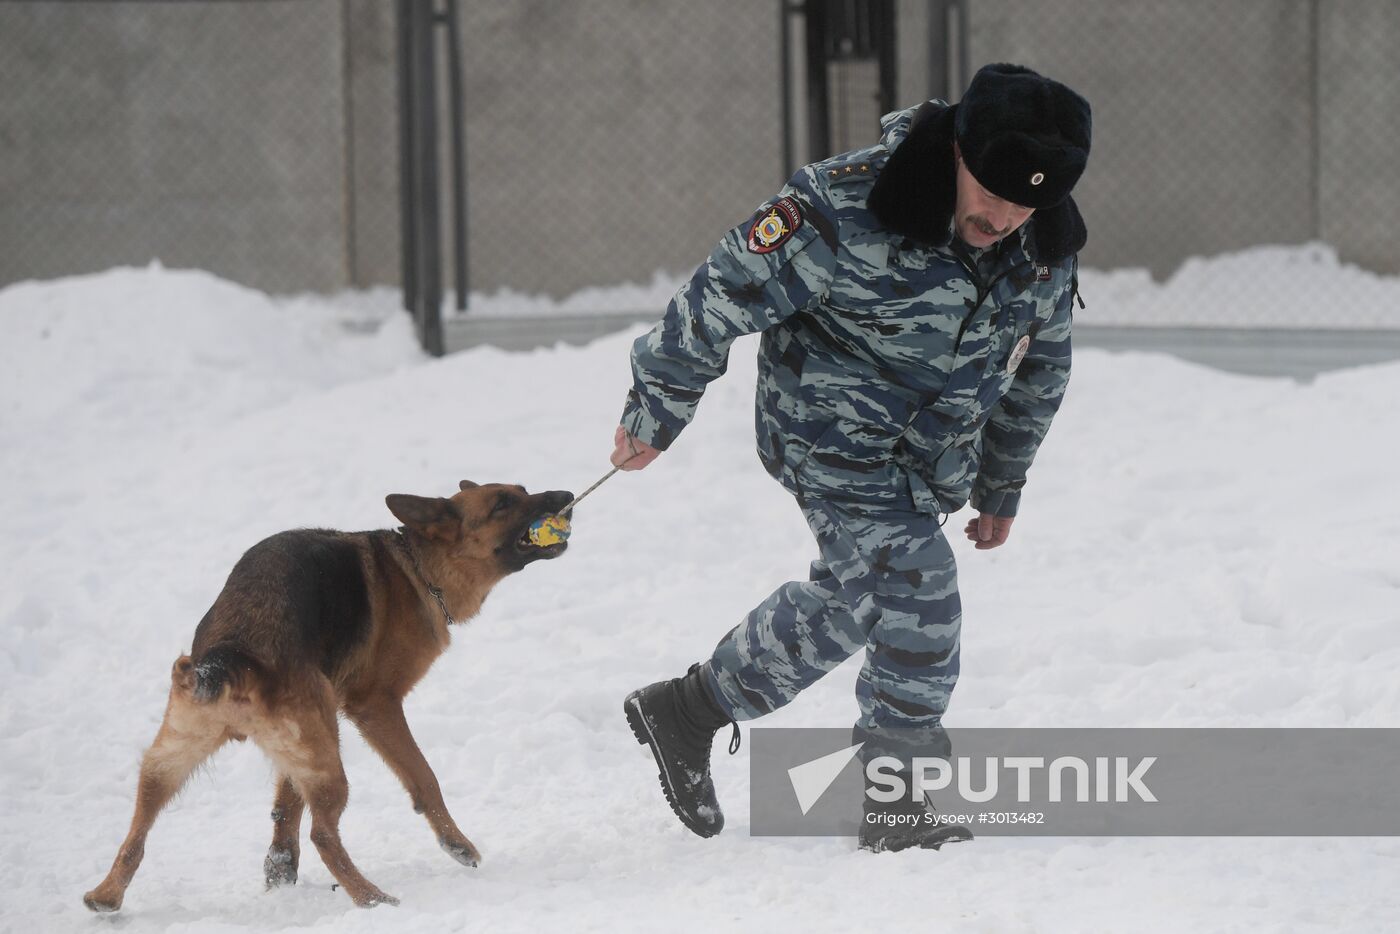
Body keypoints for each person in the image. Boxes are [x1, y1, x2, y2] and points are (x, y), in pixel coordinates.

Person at [615, 63, 1091, 852]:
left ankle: (686, 711)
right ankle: (895, 801)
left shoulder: (1043, 238)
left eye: (1026, 203)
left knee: (854, 601)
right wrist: (656, 410)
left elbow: (1040, 368)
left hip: (926, 461)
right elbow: (717, 295)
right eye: (991, 192)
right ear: (959, 151)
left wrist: (1002, 483)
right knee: (918, 589)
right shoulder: (842, 206)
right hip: (825, 436)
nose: (1004, 217)